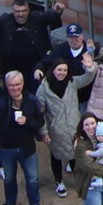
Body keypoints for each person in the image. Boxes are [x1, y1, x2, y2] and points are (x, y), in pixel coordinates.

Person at [0, 69, 46, 205]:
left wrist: (28, 121)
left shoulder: (32, 100)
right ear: (6, 86)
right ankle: (10, 203)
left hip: (27, 147)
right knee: (9, 178)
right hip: (6, 147)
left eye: (17, 84)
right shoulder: (1, 99)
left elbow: (40, 120)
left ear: (23, 83)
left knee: (32, 179)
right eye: (11, 85)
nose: (15, 88)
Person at [38, 56, 90, 196]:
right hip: (56, 130)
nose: (62, 73)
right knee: (56, 156)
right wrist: (44, 131)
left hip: (73, 127)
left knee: (74, 155)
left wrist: (90, 68)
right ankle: (59, 182)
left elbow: (87, 78)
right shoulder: (44, 87)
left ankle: (79, 180)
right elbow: (40, 112)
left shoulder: (72, 82)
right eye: (59, 70)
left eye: (65, 70)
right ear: (53, 70)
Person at [0, 0, 58, 82]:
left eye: (24, 11)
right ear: (13, 11)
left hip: (34, 68)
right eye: (17, 11)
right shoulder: (6, 20)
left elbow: (51, 17)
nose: (21, 14)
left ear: (29, 10)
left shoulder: (36, 18)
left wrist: (57, 11)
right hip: (11, 68)